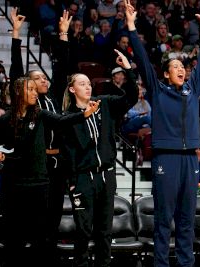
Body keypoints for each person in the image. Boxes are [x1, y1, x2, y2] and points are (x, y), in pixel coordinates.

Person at [126, 0, 200, 266]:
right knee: (164, 219)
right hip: (165, 158)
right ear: (165, 74)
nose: (181, 70)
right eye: (175, 68)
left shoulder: (193, 89)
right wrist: (131, 26)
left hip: (190, 158)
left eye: (183, 68)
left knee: (187, 219)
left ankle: (186, 264)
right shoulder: (157, 89)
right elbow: (142, 60)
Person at [0, 77, 99, 267]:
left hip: (39, 184)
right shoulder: (5, 120)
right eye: (31, 89)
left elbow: (62, 120)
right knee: (13, 237)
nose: (36, 93)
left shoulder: (41, 115)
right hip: (12, 185)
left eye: (36, 90)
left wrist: (84, 114)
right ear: (19, 92)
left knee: (40, 237)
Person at [61, 49, 138, 267]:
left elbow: (131, 97)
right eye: (82, 83)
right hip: (83, 178)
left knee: (105, 232)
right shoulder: (68, 117)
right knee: (83, 232)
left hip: (106, 176)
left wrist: (127, 68)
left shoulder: (104, 103)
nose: (88, 86)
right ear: (72, 88)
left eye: (89, 83)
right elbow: (68, 152)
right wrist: (74, 180)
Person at [10, 8, 74, 265]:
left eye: (44, 77)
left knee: (54, 217)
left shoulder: (54, 99)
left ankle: (49, 257)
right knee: (34, 220)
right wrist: (15, 34)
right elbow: (16, 71)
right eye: (37, 78)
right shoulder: (26, 105)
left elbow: (62, 68)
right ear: (28, 85)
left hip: (57, 165)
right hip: (36, 166)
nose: (43, 80)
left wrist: (63, 35)